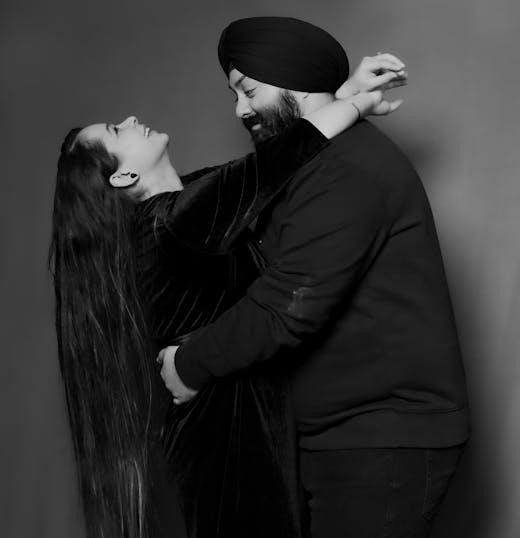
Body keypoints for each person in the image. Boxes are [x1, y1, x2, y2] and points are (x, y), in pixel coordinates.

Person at [49, 62, 402, 538]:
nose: (131, 119)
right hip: (223, 438)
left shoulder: (179, 212)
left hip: (230, 424)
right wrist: (357, 101)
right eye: (117, 129)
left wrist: (344, 94)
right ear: (123, 175)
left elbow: (277, 162)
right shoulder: (171, 222)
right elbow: (285, 156)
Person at [160, 17, 471, 538]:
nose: (240, 110)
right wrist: (343, 101)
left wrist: (188, 367)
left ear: (294, 79)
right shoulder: (314, 163)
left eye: (249, 91)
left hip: (383, 438)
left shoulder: (348, 170)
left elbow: (287, 307)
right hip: (343, 433)